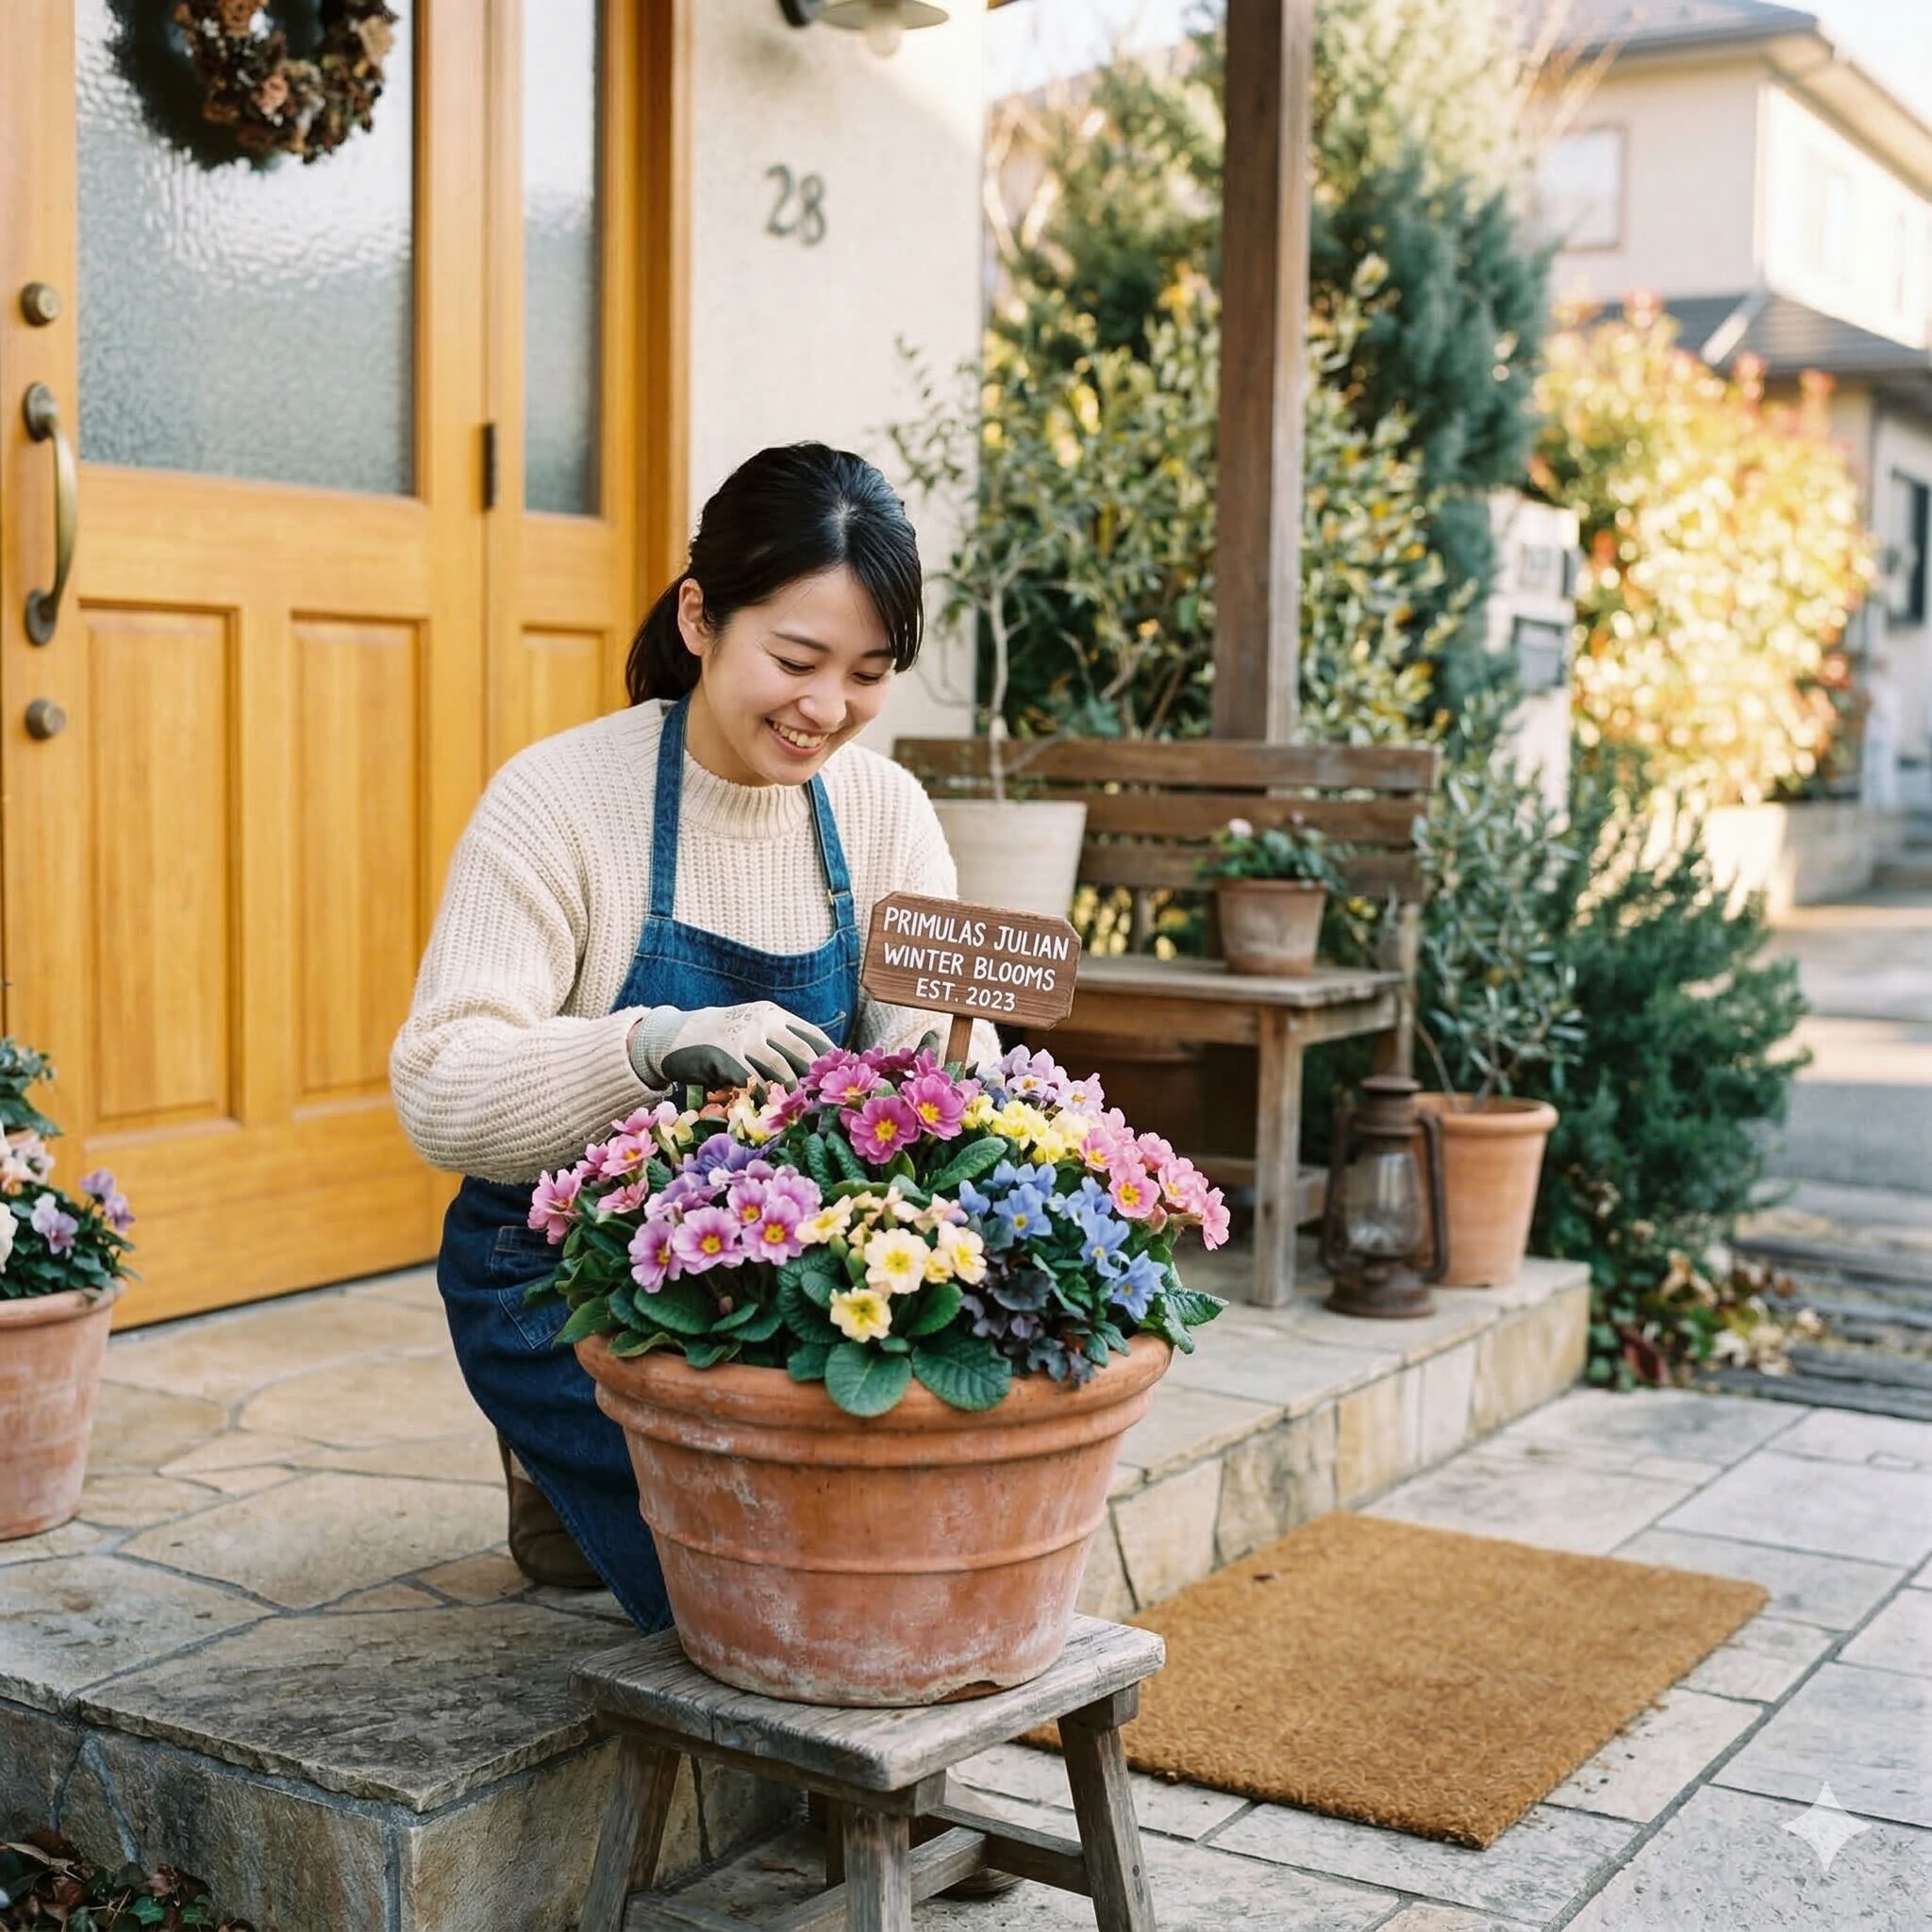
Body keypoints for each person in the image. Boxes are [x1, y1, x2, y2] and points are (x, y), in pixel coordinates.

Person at [390, 441, 999, 1632]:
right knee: (767, 1589)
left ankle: (579, 1487)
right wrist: (646, 1045)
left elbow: (939, 1053)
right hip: (569, 1276)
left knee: (870, 1533)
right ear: (699, 615)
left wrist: (959, 1087)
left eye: (869, 672)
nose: (827, 709)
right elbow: (439, 1083)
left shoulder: (882, 813)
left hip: (801, 1274)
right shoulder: (559, 800)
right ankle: (563, 1446)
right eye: (795, 658)